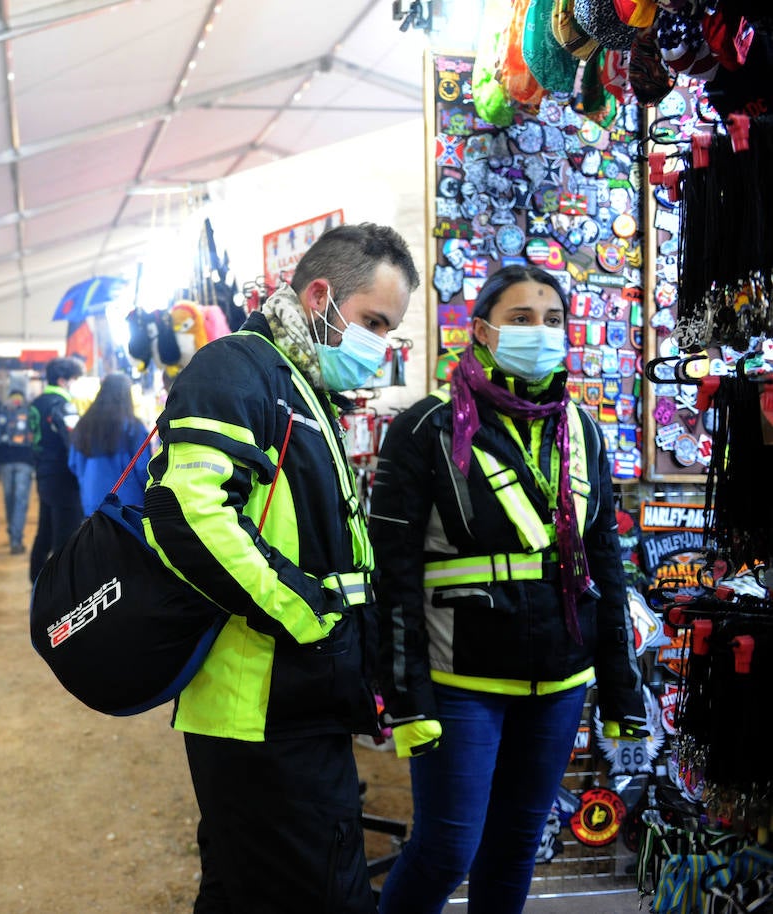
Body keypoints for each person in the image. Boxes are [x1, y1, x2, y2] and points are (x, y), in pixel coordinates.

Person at [142, 222, 418, 913]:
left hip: (290, 700)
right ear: (321, 295)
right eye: (372, 322)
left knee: (243, 891)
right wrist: (314, 618)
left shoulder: (297, 381)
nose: (378, 347)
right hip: (263, 704)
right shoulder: (239, 367)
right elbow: (188, 508)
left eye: (390, 331)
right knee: (326, 893)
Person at [368, 264, 647, 914]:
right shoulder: (425, 430)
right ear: (484, 331)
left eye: (552, 321)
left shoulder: (582, 430)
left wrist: (620, 687)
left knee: (517, 843)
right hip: (460, 684)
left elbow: (605, 567)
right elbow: (395, 579)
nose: (540, 333)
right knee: (447, 849)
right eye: (522, 319)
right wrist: (405, 696)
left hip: (558, 685)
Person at [28, 356, 84, 584]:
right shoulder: (62, 405)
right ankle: (59, 588)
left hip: (43, 471)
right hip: (63, 476)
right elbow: (74, 441)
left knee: (46, 530)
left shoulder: (37, 402)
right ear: (62, 380)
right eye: (72, 380)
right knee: (66, 535)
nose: (73, 384)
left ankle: (37, 580)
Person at [67, 373, 150, 515]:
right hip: (128, 507)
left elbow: (74, 464)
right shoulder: (133, 427)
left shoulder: (84, 425)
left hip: (93, 504)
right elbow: (144, 469)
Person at [0, 383, 35, 555]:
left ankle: (13, 532)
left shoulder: (2, 410)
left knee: (9, 498)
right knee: (20, 500)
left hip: (6, 461)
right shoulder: (30, 411)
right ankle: (15, 539)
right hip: (25, 461)